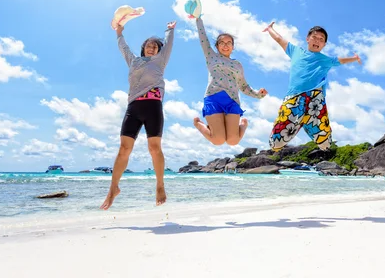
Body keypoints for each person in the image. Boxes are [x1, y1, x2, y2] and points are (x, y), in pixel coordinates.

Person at [100, 20, 176, 210]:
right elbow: (123, 48)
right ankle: (112, 188)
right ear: (143, 49)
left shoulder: (161, 61)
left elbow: (169, 45)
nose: (152, 48)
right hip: (133, 107)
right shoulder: (134, 61)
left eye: (155, 46)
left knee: (154, 148)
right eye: (148, 46)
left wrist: (169, 29)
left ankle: (160, 185)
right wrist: (119, 33)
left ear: (159, 51)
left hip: (153, 107)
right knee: (124, 149)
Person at [263, 22, 361, 152]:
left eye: (321, 39)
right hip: (294, 97)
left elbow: (341, 60)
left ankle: (308, 122)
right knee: (275, 144)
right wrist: (270, 29)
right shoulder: (295, 51)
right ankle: (301, 122)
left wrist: (354, 58)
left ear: (324, 44)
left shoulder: (326, 60)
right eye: (314, 37)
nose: (317, 41)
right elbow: (279, 39)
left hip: (315, 99)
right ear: (307, 38)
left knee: (325, 144)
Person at [192, 16, 268, 146]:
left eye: (229, 43)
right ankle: (199, 125)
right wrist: (198, 19)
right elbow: (203, 38)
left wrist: (258, 94)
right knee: (218, 140)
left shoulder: (237, 65)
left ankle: (243, 125)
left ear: (233, 47)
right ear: (216, 46)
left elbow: (244, 86)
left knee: (233, 141)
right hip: (213, 98)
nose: (225, 45)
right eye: (222, 43)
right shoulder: (211, 56)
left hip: (232, 101)